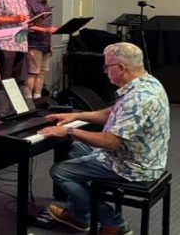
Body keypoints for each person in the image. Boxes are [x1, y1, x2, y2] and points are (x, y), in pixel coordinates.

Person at [38, 42, 169, 235]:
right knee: (75, 149)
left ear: (121, 68)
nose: (105, 72)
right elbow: (112, 113)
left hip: (134, 167)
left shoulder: (138, 98)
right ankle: (79, 216)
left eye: (107, 67)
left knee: (61, 171)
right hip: (140, 157)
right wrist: (76, 116)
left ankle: (114, 223)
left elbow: (111, 142)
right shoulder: (147, 82)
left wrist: (69, 131)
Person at [25, 0, 58, 98]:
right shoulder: (29, 2)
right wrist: (46, 30)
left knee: (42, 72)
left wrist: (50, 43)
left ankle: (37, 97)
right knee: (33, 72)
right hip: (34, 44)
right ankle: (29, 98)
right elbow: (27, 25)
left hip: (45, 43)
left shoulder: (45, 3)